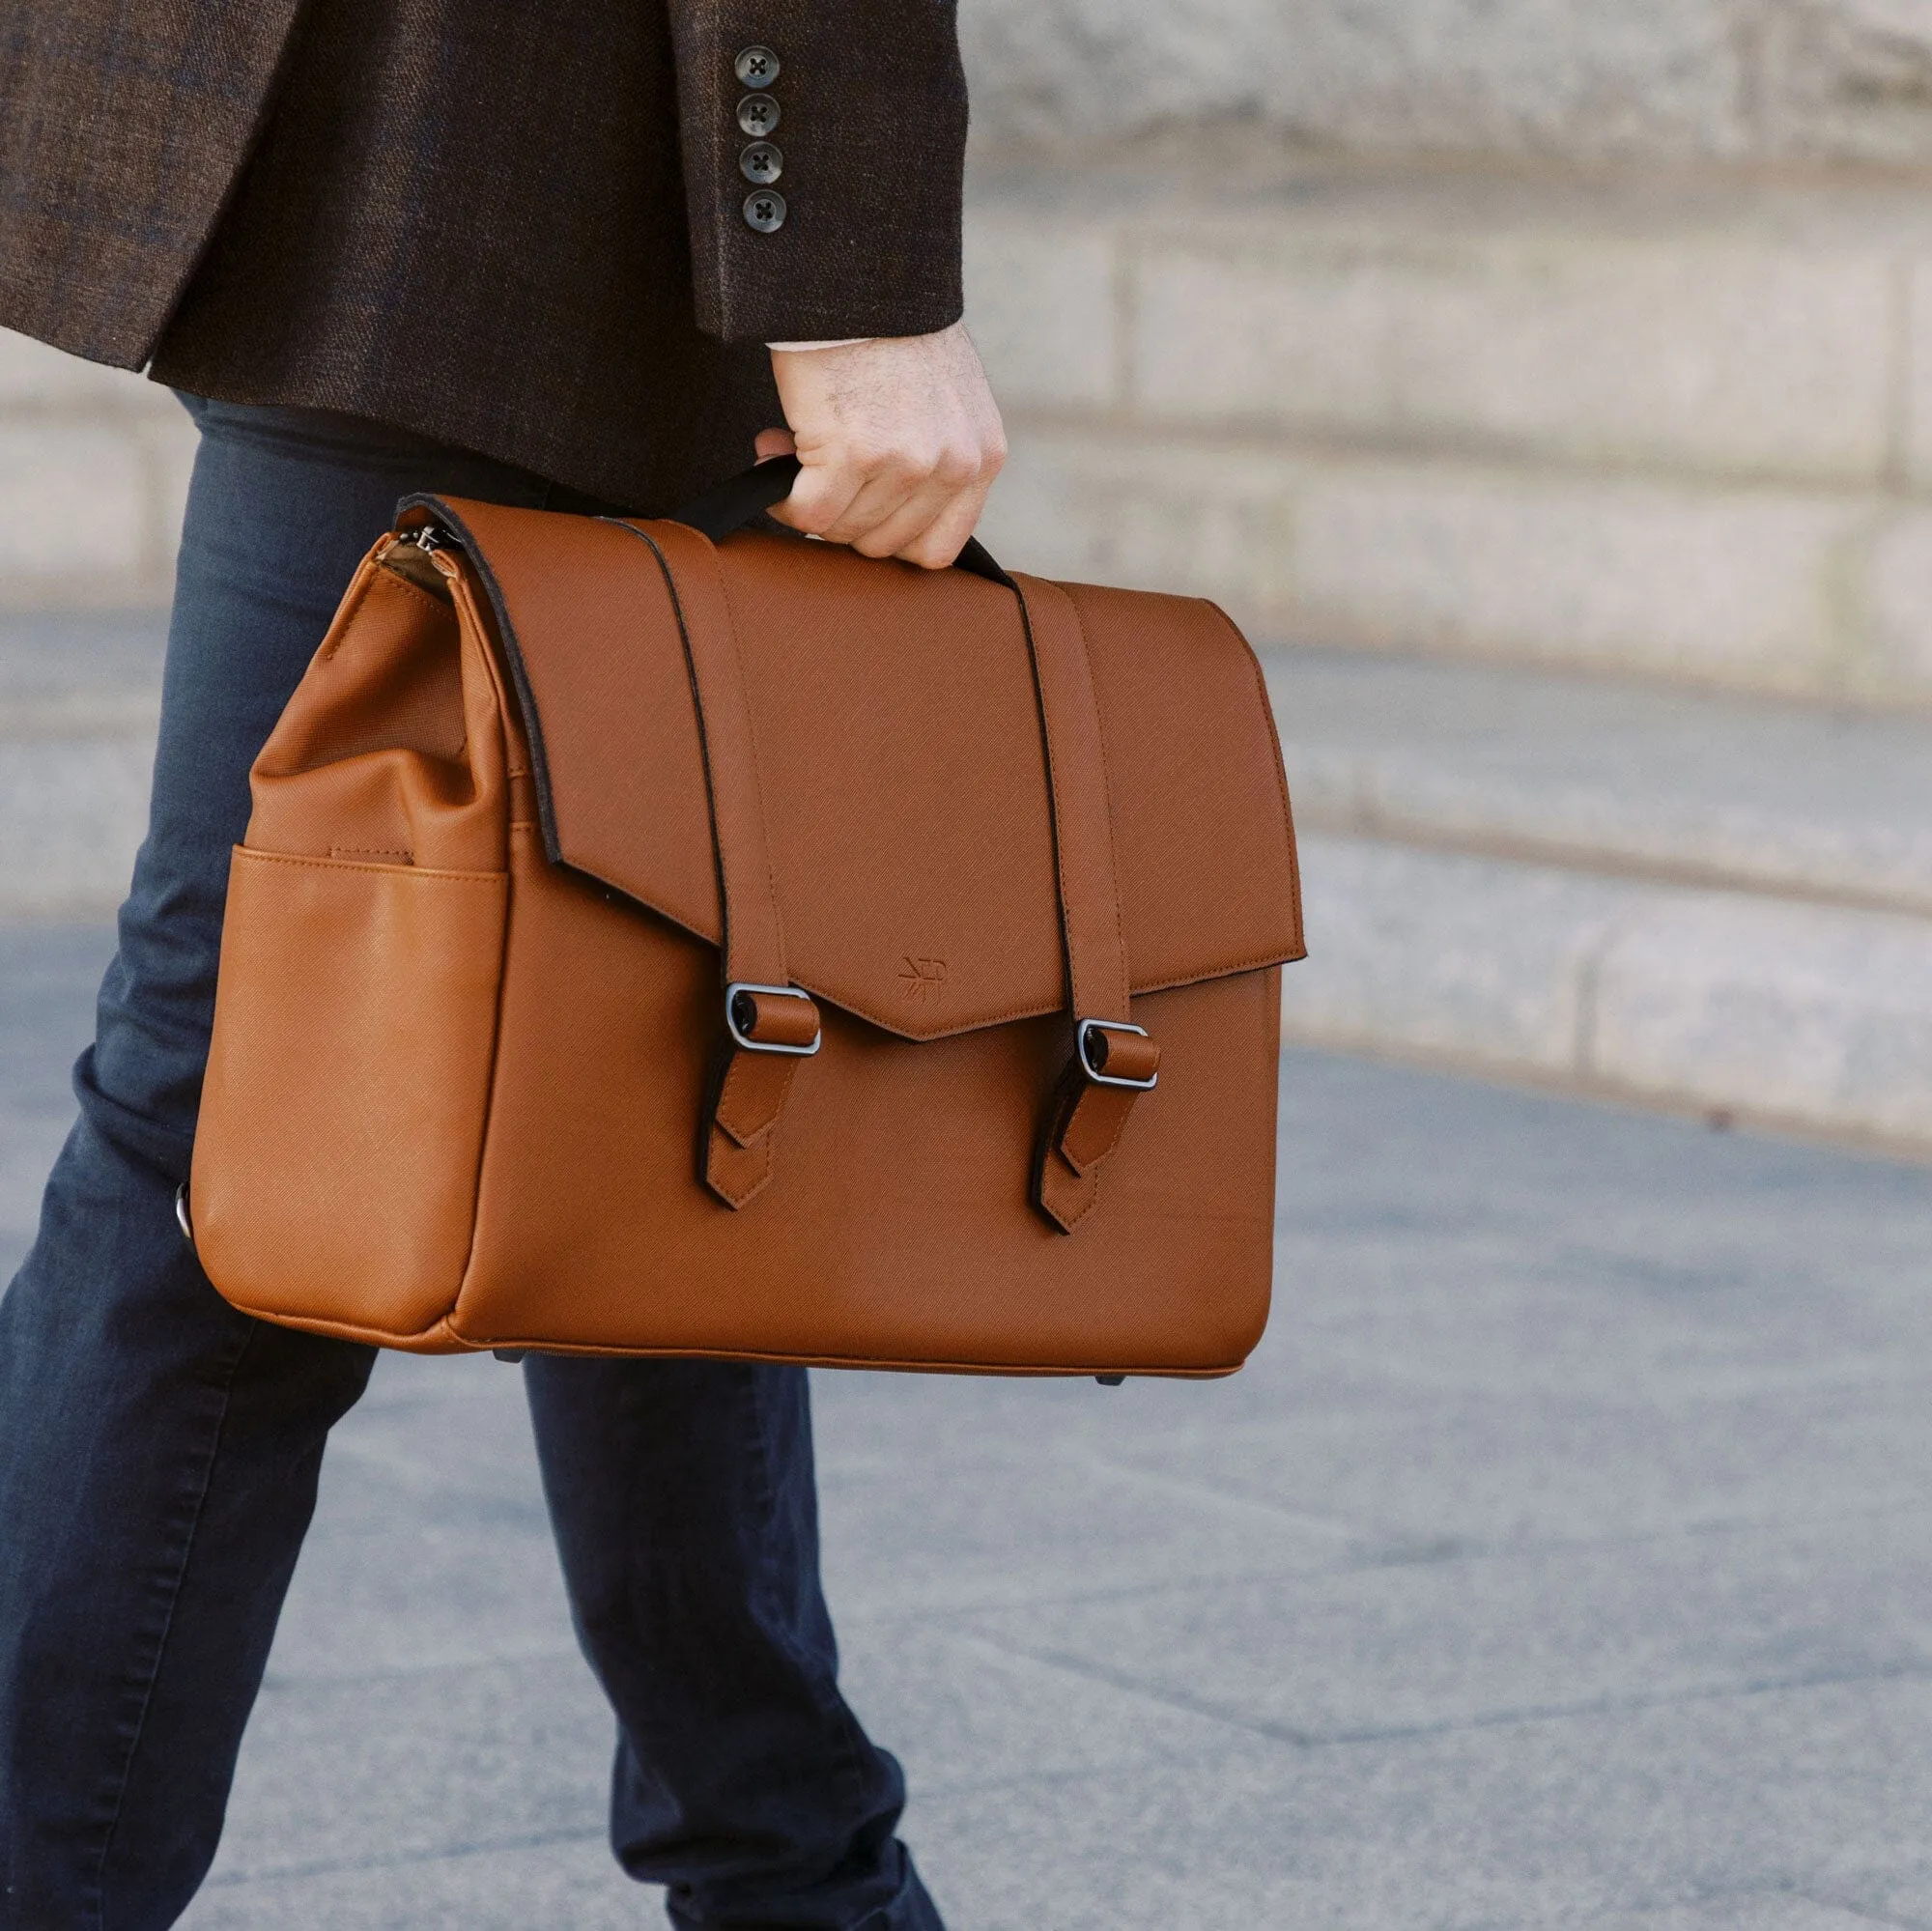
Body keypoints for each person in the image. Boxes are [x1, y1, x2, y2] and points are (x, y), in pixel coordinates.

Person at [0, 4, 1005, 1926]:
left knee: (654, 1076)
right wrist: (850, 274)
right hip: (490, 134)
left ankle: (792, 1871)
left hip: (466, 156)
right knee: (243, 1117)